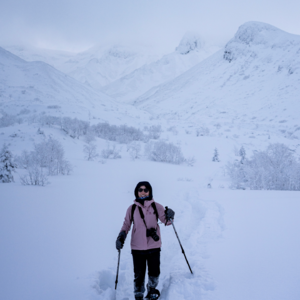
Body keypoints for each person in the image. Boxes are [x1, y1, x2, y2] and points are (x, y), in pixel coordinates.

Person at [116, 181, 175, 300]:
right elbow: (126, 225)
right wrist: (121, 236)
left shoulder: (156, 206)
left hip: (154, 246)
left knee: (154, 271)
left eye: (145, 190)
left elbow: (167, 222)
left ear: (150, 191)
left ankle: (152, 288)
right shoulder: (131, 209)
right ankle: (138, 292)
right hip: (137, 247)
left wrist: (170, 216)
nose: (143, 192)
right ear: (136, 192)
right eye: (140, 190)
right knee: (139, 274)